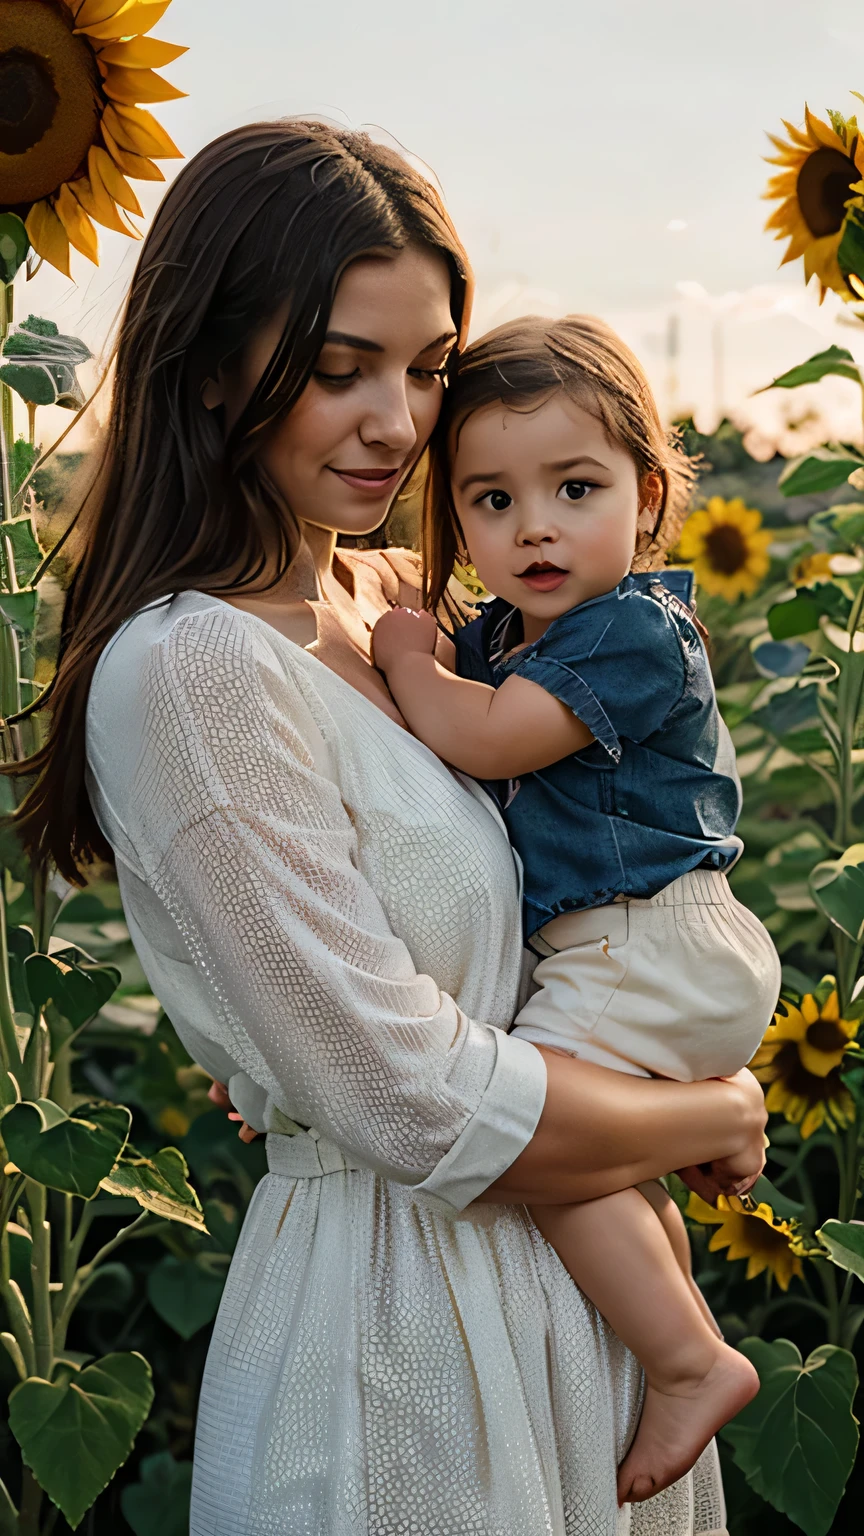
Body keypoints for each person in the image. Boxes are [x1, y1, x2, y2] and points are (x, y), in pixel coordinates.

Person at [12, 122, 767, 1534]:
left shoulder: (402, 604)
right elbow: (409, 1099)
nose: (400, 422)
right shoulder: (194, 667)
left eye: (427, 370)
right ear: (212, 361)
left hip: (582, 1316)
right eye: (338, 367)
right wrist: (712, 1112)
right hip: (400, 1337)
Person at [372, 313, 781, 1504]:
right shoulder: (520, 630)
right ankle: (683, 1334)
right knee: (601, 1169)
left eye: (576, 487)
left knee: (528, 1140)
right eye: (491, 501)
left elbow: (491, 736)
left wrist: (406, 662)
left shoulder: (632, 632)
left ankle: (689, 1358)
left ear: (648, 498)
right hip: (638, 941)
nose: (534, 526)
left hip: (648, 936)